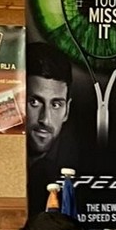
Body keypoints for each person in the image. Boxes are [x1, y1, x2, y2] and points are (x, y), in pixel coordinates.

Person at [25, 42, 77, 196]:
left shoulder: (79, 167)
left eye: (56, 105)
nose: (45, 119)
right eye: (34, 102)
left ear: (67, 110)